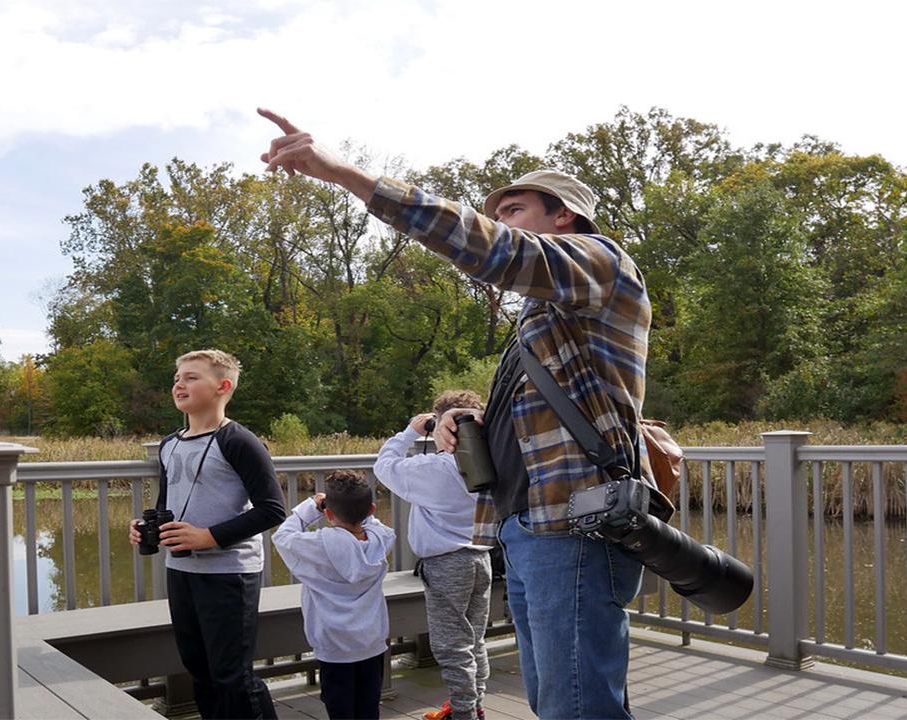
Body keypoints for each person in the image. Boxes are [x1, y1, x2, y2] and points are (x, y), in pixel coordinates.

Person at [257, 108, 651, 720]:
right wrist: (465, 426)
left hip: (575, 524)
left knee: (578, 703)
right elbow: (545, 421)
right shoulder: (541, 319)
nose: (501, 221)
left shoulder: (601, 262)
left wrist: (347, 176)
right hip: (526, 526)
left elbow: (493, 251)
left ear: (562, 214)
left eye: (514, 210)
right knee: (558, 697)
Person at [127, 349, 286, 720]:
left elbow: (272, 509)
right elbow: (169, 504)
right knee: (199, 670)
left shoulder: (239, 441)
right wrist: (144, 527)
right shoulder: (170, 444)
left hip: (229, 573)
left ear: (223, 386)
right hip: (182, 571)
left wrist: (209, 537)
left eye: (192, 377)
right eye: (177, 377)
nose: (179, 383)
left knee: (232, 675)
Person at [373, 390, 492, 720]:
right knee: (474, 640)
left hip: (446, 563)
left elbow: (384, 466)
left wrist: (411, 431)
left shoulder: (433, 468)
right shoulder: (491, 463)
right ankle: (474, 705)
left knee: (450, 645)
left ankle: (464, 714)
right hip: (481, 558)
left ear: (444, 426)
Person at [272, 469, 395, 720]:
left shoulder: (318, 546)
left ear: (328, 513)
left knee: (340, 707)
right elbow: (375, 523)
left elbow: (282, 536)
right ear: (372, 509)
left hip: (333, 646)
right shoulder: (381, 539)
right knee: (369, 706)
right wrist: (362, 513)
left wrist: (311, 506)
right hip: (371, 643)